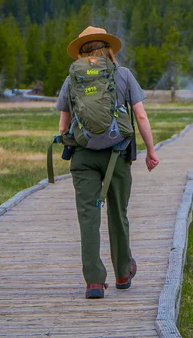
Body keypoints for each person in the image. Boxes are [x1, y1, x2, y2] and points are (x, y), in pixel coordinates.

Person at [56, 26, 160, 299]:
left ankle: (93, 281)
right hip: (117, 153)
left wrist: (70, 147)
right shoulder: (122, 74)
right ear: (109, 49)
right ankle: (123, 273)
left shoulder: (73, 78)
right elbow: (141, 117)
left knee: (88, 217)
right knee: (118, 213)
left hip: (83, 156)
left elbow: (64, 124)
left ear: (82, 51)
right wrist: (150, 151)